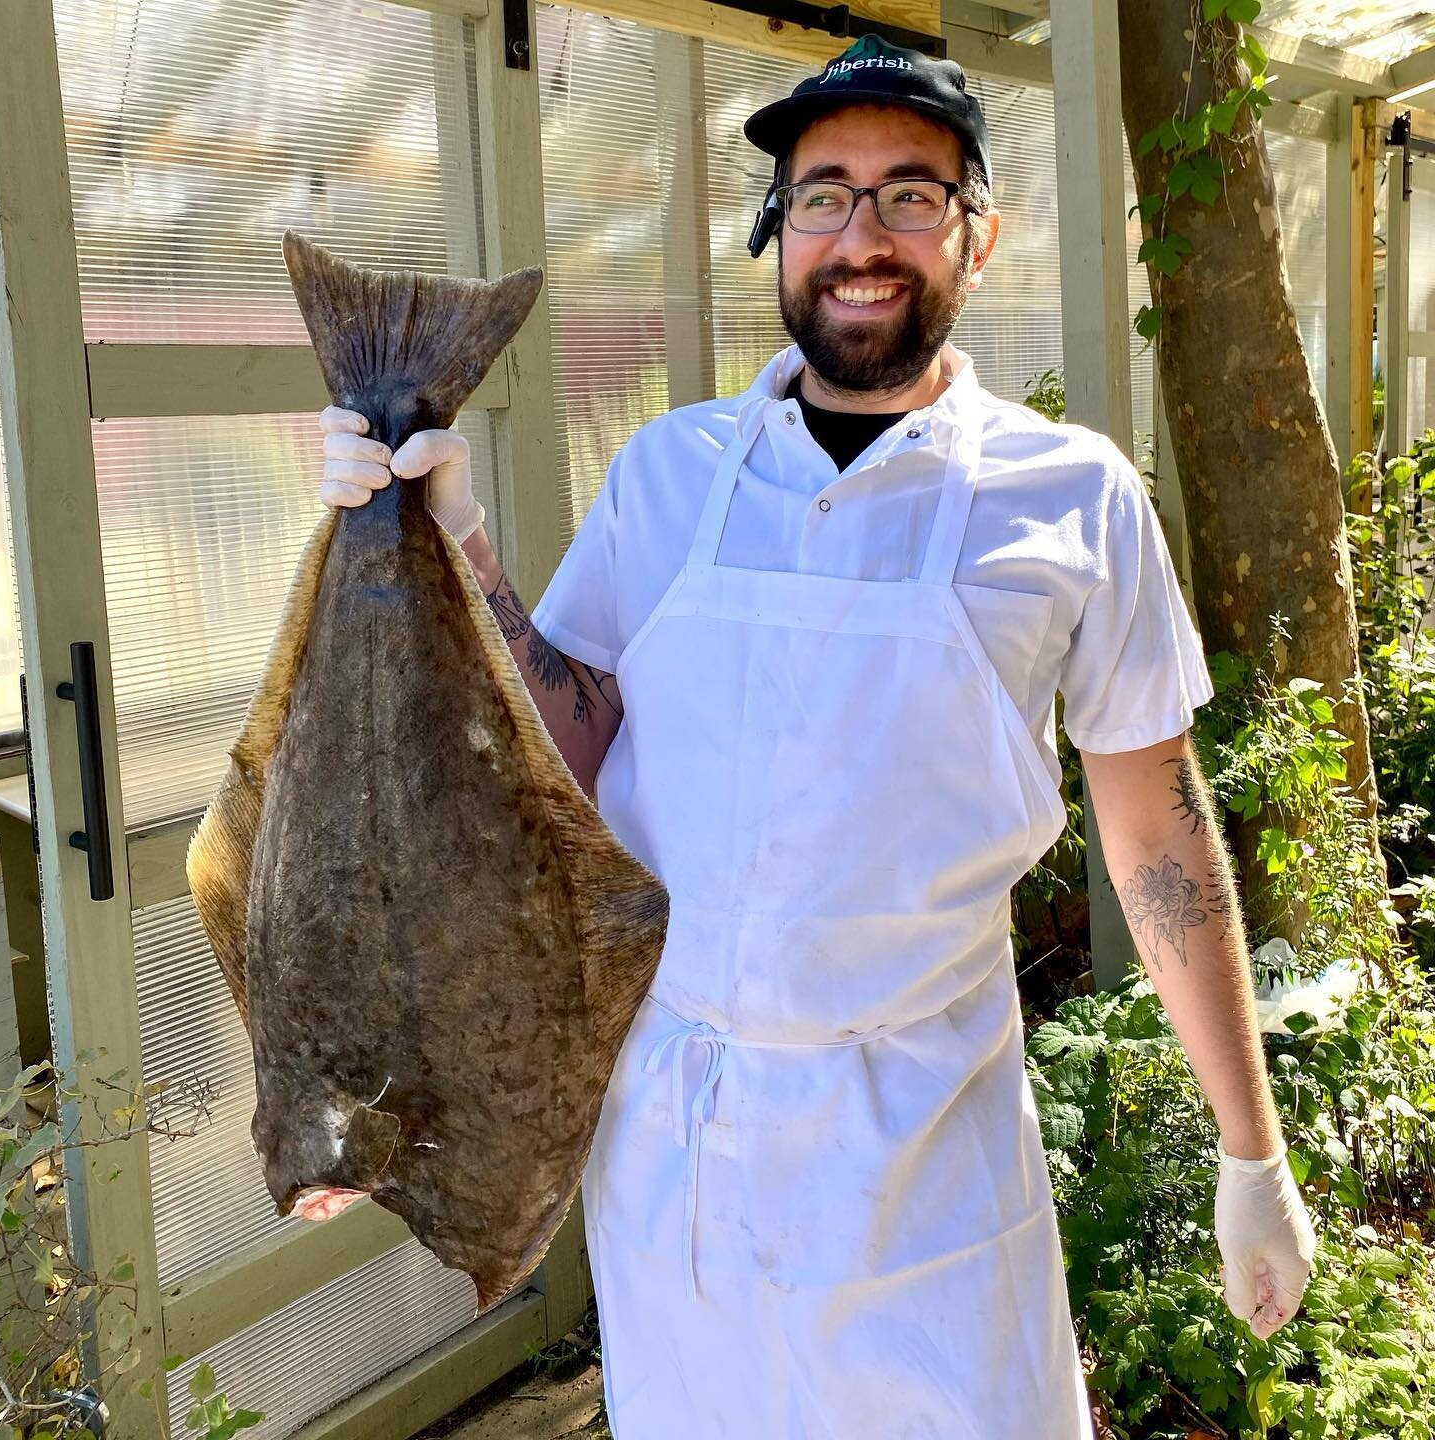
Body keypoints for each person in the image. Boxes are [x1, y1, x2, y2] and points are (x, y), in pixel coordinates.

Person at [311, 34, 1316, 1439]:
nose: (864, 235)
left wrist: (1249, 1150)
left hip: (929, 1157)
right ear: (778, 228)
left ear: (980, 228)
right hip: (682, 1152)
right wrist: (455, 544)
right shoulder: (669, 473)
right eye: (825, 193)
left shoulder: (1073, 499)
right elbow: (576, 743)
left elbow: (1158, 829)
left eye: (913, 194)